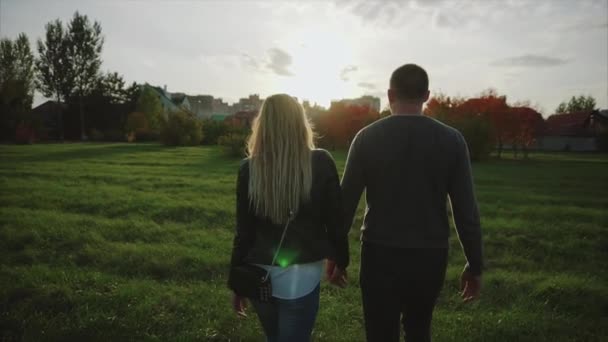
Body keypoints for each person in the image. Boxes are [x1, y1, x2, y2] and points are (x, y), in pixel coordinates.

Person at [334, 64, 483, 342]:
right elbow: (466, 212)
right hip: (430, 256)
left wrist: (338, 256)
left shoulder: (366, 138)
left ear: (390, 95)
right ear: (426, 95)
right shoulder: (453, 141)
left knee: (380, 334)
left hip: (379, 255)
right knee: (418, 330)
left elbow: (345, 204)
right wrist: (475, 264)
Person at [229, 94, 348, 342]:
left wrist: (238, 282)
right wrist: (340, 260)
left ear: (263, 124)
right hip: (301, 278)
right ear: (299, 122)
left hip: (257, 276)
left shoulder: (249, 168)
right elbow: (336, 222)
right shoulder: (320, 162)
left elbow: (244, 232)